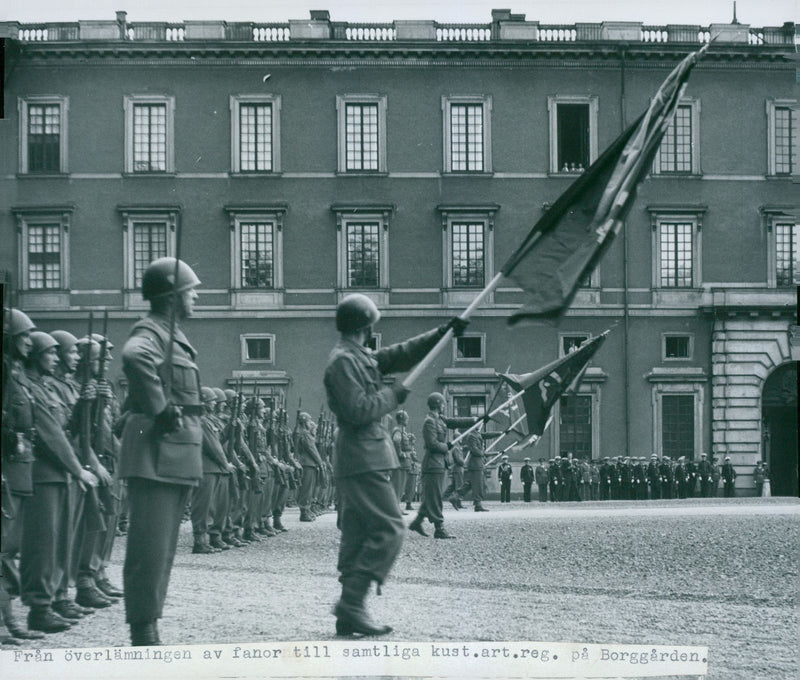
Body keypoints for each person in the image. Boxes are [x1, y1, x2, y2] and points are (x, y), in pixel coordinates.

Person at [323, 293, 467, 636]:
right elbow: (357, 410)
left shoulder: (358, 357)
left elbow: (401, 354)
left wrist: (444, 332)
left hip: (366, 456)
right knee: (391, 527)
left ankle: (349, 612)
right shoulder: (343, 362)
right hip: (361, 456)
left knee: (357, 533)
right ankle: (353, 603)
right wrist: (394, 396)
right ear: (366, 326)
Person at [118, 256, 203, 646]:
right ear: (172, 297)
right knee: (150, 548)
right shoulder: (150, 333)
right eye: (190, 291)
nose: (196, 297)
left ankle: (149, 620)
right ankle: (143, 627)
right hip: (156, 453)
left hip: (171, 455)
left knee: (162, 546)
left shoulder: (170, 334)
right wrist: (161, 407)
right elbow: (134, 357)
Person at [20, 331, 99, 633]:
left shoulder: (44, 389)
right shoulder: (33, 389)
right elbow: (51, 435)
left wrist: (83, 405)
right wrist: (78, 469)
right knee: (43, 542)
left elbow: (68, 428)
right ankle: (39, 607)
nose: (54, 358)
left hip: (59, 473)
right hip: (43, 473)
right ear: (35, 356)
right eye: (49, 353)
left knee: (58, 540)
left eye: (56, 353)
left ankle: (53, 598)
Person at [1, 309, 45, 641]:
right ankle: (8, 623)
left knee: (9, 548)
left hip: (20, 471)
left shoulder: (16, 375)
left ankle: (9, 621)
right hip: (7, 471)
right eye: (23, 336)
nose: (29, 342)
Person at [409, 392, 472, 538]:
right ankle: (439, 528)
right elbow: (432, 444)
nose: (444, 406)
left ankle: (417, 522)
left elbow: (454, 422)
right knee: (435, 497)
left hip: (439, 464)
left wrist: (475, 420)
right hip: (433, 465)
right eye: (443, 404)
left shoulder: (440, 419)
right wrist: (447, 446)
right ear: (438, 404)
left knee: (432, 495)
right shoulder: (429, 421)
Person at [295, 412, 325, 523]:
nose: (310, 423)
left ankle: (306, 510)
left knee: (308, 488)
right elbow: (312, 449)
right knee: (306, 489)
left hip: (308, 463)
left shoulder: (301, 433)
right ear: (304, 421)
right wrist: (320, 462)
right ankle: (304, 511)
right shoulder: (305, 434)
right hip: (308, 463)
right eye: (308, 420)